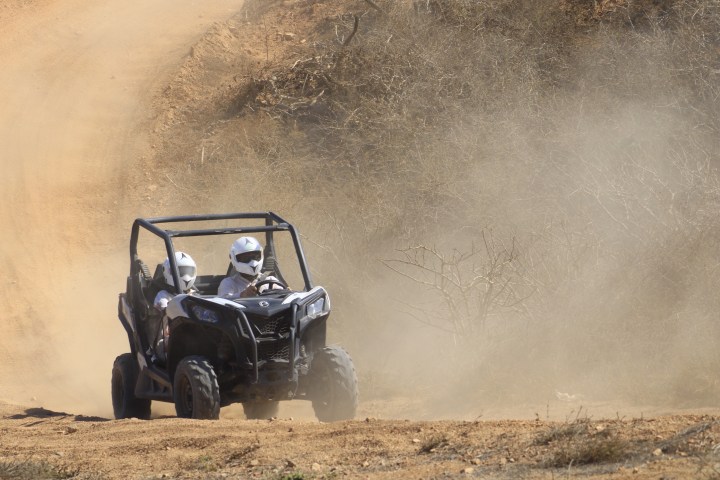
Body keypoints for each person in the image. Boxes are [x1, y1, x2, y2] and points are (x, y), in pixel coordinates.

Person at [152, 251, 197, 364]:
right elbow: (164, 306)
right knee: (186, 344)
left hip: (194, 338)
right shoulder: (163, 295)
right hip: (166, 342)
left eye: (188, 271)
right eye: (180, 271)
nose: (185, 275)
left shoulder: (195, 295)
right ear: (168, 272)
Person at [218, 236, 283, 299]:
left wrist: (285, 293)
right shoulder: (228, 283)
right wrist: (242, 295)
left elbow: (283, 298)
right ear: (234, 258)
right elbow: (223, 302)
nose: (252, 262)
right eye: (246, 258)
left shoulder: (270, 280)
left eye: (255, 257)